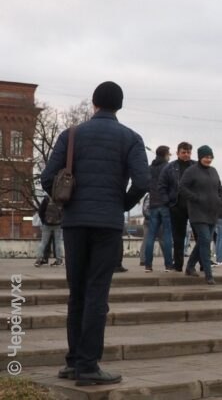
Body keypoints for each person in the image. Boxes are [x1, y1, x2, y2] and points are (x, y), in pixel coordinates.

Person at [41, 81, 149, 386]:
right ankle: (89, 366)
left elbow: (48, 177)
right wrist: (121, 203)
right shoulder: (131, 138)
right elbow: (142, 182)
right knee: (96, 293)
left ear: (94, 103)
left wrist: (70, 201)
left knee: (77, 292)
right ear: (120, 106)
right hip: (107, 225)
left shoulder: (71, 135)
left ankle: (74, 362)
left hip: (74, 224)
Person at [180, 145, 222, 285]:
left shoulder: (214, 171)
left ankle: (190, 266)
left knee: (203, 241)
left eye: (210, 157)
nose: (208, 160)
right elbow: (182, 187)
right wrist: (196, 198)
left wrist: (220, 199)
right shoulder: (191, 171)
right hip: (197, 212)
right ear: (200, 157)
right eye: (206, 157)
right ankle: (209, 274)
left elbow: (219, 188)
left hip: (212, 212)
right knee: (205, 240)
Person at [158, 141, 195, 272]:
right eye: (183, 152)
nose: (186, 155)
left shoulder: (196, 166)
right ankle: (178, 265)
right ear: (178, 153)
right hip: (176, 206)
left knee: (200, 235)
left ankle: (202, 263)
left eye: (188, 152)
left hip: (194, 206)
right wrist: (168, 202)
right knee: (178, 237)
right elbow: (162, 186)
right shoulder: (169, 167)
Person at [143, 145, 174, 273]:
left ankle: (148, 265)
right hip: (165, 204)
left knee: (151, 235)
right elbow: (173, 184)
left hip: (153, 204)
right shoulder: (168, 167)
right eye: (169, 153)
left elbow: (145, 185)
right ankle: (168, 265)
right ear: (165, 154)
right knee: (167, 234)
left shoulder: (149, 168)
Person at [35, 196, 64, 267]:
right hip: (58, 224)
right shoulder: (60, 197)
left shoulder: (47, 199)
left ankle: (38, 260)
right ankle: (59, 260)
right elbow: (64, 211)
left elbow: (41, 211)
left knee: (43, 242)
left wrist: (44, 221)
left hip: (47, 224)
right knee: (58, 242)